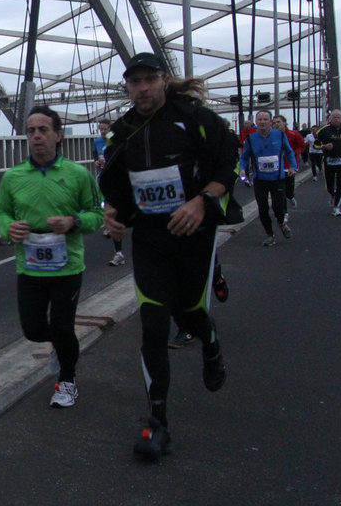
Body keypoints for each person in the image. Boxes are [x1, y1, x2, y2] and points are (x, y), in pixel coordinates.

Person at [99, 53, 239, 460]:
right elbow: (116, 182)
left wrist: (202, 201)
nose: (142, 88)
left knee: (191, 311)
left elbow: (229, 162)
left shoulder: (195, 118)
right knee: (154, 324)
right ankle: (157, 424)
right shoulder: (123, 130)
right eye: (134, 82)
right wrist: (113, 212)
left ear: (163, 80)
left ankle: (210, 343)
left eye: (149, 79)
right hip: (151, 237)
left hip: (194, 234)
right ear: (127, 87)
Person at [0, 106, 104, 408]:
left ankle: (67, 381)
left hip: (67, 266)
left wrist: (74, 221)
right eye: (31, 131)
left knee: (63, 326)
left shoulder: (77, 174)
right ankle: (60, 344)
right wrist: (8, 228)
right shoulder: (13, 177)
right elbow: (1, 211)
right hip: (29, 265)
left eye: (43, 130)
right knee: (32, 330)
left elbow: (97, 214)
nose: (36, 136)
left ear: (58, 135)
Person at [240, 110, 299, 246]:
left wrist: (293, 167)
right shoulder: (250, 139)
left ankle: (281, 223)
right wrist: (242, 169)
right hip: (260, 179)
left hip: (277, 178)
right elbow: (244, 157)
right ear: (256, 122)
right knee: (263, 208)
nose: (262, 122)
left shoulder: (279, 135)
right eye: (260, 119)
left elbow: (289, 152)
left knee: (278, 207)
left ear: (270, 122)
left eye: (265, 119)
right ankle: (270, 235)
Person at [93, 119, 125, 267]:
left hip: (118, 179)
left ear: (110, 129)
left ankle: (120, 251)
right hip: (104, 178)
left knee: (117, 211)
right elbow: (95, 155)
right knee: (108, 207)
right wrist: (96, 162)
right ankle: (119, 253)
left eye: (105, 129)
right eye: (101, 129)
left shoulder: (116, 140)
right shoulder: (97, 142)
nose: (103, 132)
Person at [274, 115, 305, 209]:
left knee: (288, 190)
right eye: (274, 123)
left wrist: (294, 153)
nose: (276, 124)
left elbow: (302, 146)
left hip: (289, 166)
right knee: (280, 191)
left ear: (284, 123)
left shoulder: (293, 134)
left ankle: (290, 196)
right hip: (277, 166)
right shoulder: (271, 136)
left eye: (278, 122)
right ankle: (284, 212)